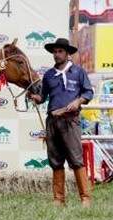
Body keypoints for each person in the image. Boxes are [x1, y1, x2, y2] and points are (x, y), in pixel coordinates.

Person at [29, 38, 94, 207]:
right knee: (55, 161)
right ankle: (59, 199)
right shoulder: (49, 74)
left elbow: (88, 93)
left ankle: (85, 198)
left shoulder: (79, 72)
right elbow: (43, 97)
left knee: (76, 160)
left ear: (67, 53)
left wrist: (78, 102)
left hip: (70, 121)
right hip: (52, 121)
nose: (56, 55)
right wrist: (35, 98)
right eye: (55, 52)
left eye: (60, 52)